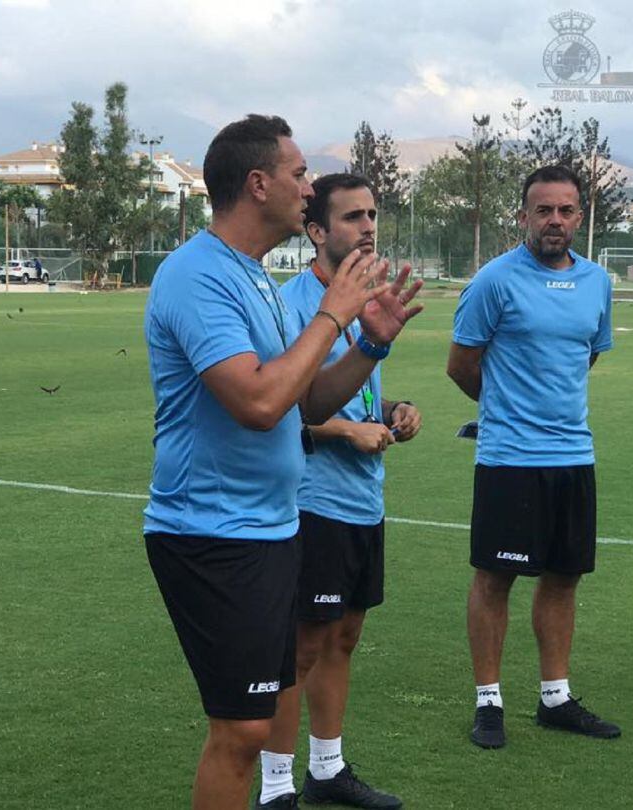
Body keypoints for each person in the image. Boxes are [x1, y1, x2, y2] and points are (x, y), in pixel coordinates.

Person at [143, 115, 422, 810]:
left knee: (257, 720)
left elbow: (303, 403)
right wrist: (333, 315)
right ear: (258, 183)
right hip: (210, 532)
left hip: (270, 528)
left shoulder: (258, 278)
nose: (308, 187)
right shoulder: (196, 275)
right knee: (241, 730)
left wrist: (369, 347)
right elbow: (259, 404)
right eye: (299, 174)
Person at [255, 174, 421, 809]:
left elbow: (360, 389)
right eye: (352, 217)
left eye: (373, 214)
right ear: (316, 231)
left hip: (363, 501)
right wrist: (345, 431)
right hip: (312, 502)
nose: (369, 226)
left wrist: (395, 412)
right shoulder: (293, 305)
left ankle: (327, 767)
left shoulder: (371, 300)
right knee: (299, 649)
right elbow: (280, 405)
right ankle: (276, 788)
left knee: (344, 638)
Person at [447, 164, 618, 750]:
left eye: (565, 210)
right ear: (522, 216)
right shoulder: (494, 281)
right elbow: (461, 364)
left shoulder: (598, 283)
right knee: (495, 578)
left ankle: (555, 698)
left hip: (573, 455)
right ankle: (488, 702)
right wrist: (506, 408)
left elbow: (585, 357)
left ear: (579, 217)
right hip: (510, 458)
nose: (554, 221)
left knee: (563, 577)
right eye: (542, 210)